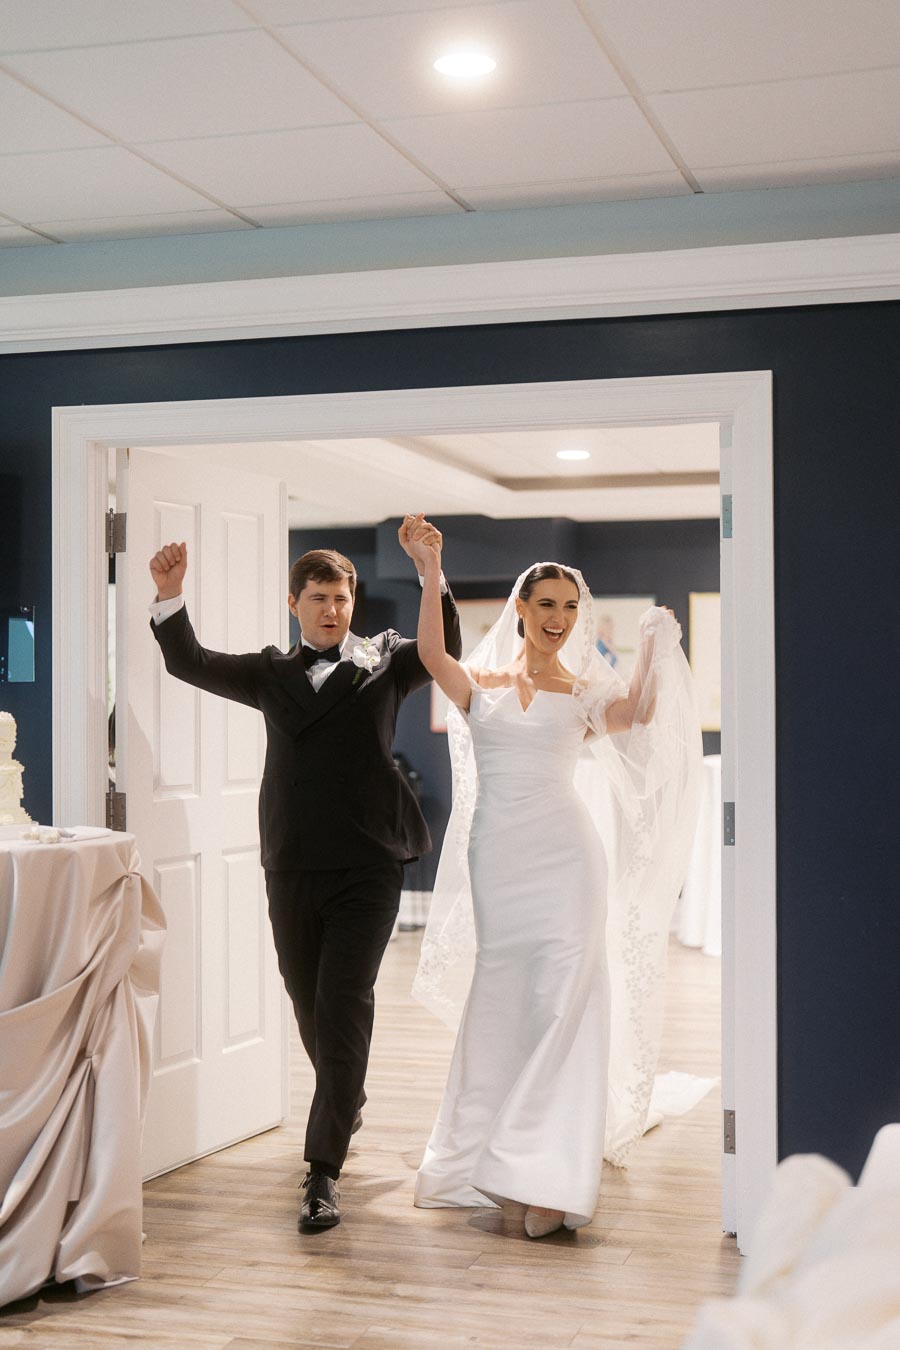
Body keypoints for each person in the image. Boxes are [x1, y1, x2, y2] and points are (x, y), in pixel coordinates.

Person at [148, 516, 461, 1232]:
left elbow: (447, 651)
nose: (331, 609)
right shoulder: (268, 673)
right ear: (295, 604)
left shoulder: (386, 660)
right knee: (307, 998)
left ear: (353, 605)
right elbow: (189, 661)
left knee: (344, 998)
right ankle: (343, 1098)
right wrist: (170, 594)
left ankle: (322, 1172)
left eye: (341, 599)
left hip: (371, 863)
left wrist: (429, 571)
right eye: (318, 597)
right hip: (290, 860)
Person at [406, 530, 701, 1239]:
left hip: (569, 862)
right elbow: (430, 655)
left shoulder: (586, 691)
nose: (559, 616)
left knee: (568, 1001)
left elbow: (642, 712)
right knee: (505, 1001)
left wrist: (656, 644)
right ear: (522, 608)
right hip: (500, 861)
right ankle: (491, 1157)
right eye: (547, 603)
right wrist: (430, 571)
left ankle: (541, 1174)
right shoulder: (482, 686)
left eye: (569, 605)